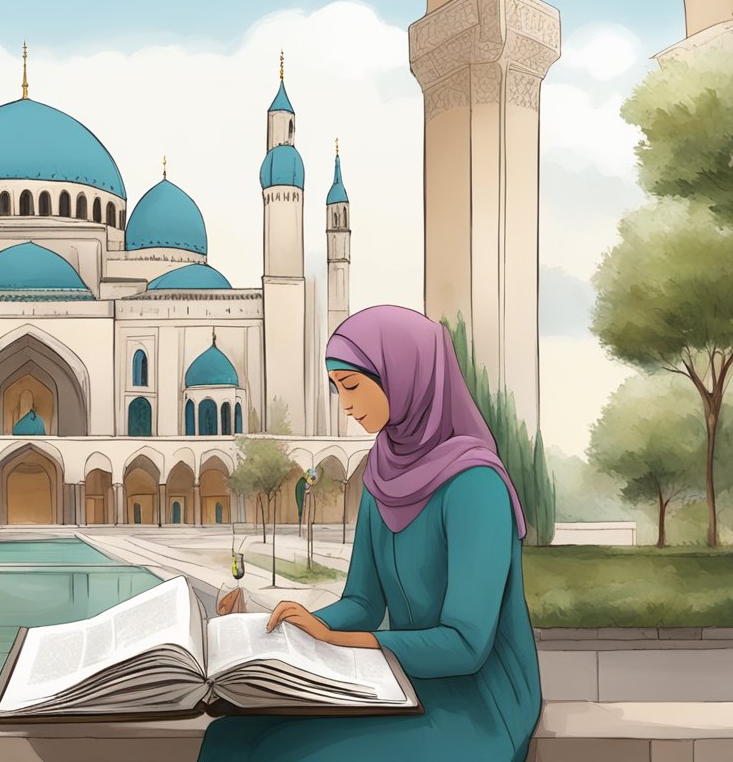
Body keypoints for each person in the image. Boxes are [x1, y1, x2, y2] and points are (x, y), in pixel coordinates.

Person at [200, 305, 542, 762]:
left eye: (354, 386)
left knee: (289, 754)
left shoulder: (475, 484)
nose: (345, 404)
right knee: (229, 737)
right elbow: (363, 603)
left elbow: (465, 645)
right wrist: (295, 626)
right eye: (337, 388)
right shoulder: (383, 471)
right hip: (397, 679)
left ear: (403, 376)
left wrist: (337, 641)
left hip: (480, 700)